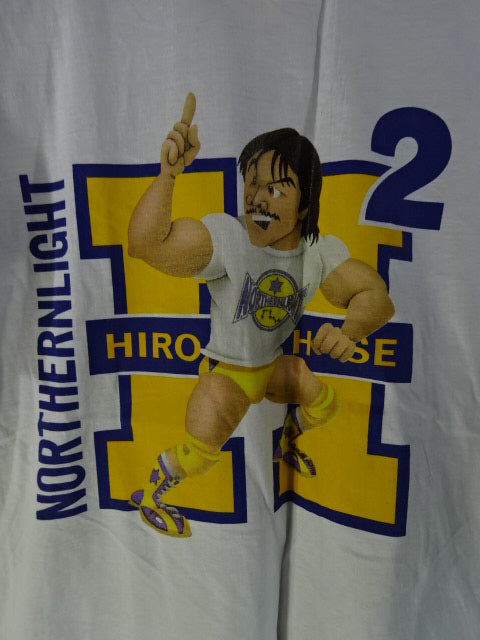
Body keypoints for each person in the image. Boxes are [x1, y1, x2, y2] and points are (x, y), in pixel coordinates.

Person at [127, 93, 394, 537]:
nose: (257, 198)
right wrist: (168, 176)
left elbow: (375, 295)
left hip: (270, 368)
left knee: (326, 403)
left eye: (275, 188)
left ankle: (286, 439)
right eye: (251, 184)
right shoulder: (227, 238)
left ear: (304, 205)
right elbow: (145, 245)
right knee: (199, 457)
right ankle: (152, 493)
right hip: (226, 376)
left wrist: (352, 330)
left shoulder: (316, 252)